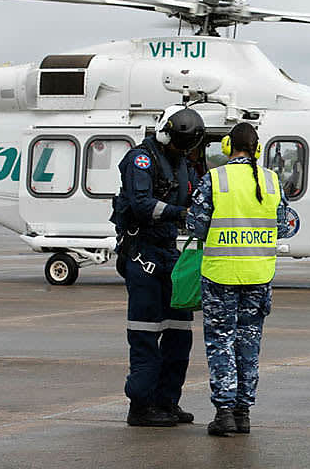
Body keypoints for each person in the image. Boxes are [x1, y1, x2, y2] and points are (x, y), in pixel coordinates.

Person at [187, 122, 289, 436]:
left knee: (221, 342)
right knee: (249, 344)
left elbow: (195, 226)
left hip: (221, 276)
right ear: (258, 149)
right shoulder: (271, 182)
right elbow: (283, 226)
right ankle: (243, 413)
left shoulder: (215, 179)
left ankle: (224, 412)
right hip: (259, 276)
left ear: (229, 147)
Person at [110, 105, 204, 427]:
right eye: (180, 144)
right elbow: (141, 203)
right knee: (146, 332)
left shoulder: (183, 162)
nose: (183, 150)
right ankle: (140, 406)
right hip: (144, 255)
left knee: (180, 334)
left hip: (171, 255)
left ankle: (167, 401)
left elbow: (197, 196)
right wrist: (180, 214)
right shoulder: (141, 160)